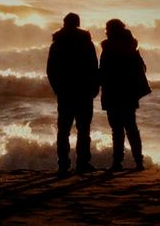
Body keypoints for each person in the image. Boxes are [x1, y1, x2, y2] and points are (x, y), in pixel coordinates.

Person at [47, 13, 99, 174]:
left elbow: (51, 70)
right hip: (84, 91)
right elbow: (93, 68)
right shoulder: (86, 43)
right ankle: (83, 163)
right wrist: (94, 88)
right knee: (83, 129)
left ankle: (63, 164)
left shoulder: (57, 44)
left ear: (64, 23)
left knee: (63, 130)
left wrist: (57, 89)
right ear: (78, 23)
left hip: (65, 93)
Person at [98, 19, 151, 172]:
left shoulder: (108, 48)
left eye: (107, 29)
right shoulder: (131, 47)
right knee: (131, 128)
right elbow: (141, 69)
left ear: (113, 31)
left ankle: (117, 163)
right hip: (128, 93)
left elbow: (104, 71)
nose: (105, 31)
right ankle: (138, 162)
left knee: (117, 129)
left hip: (113, 92)